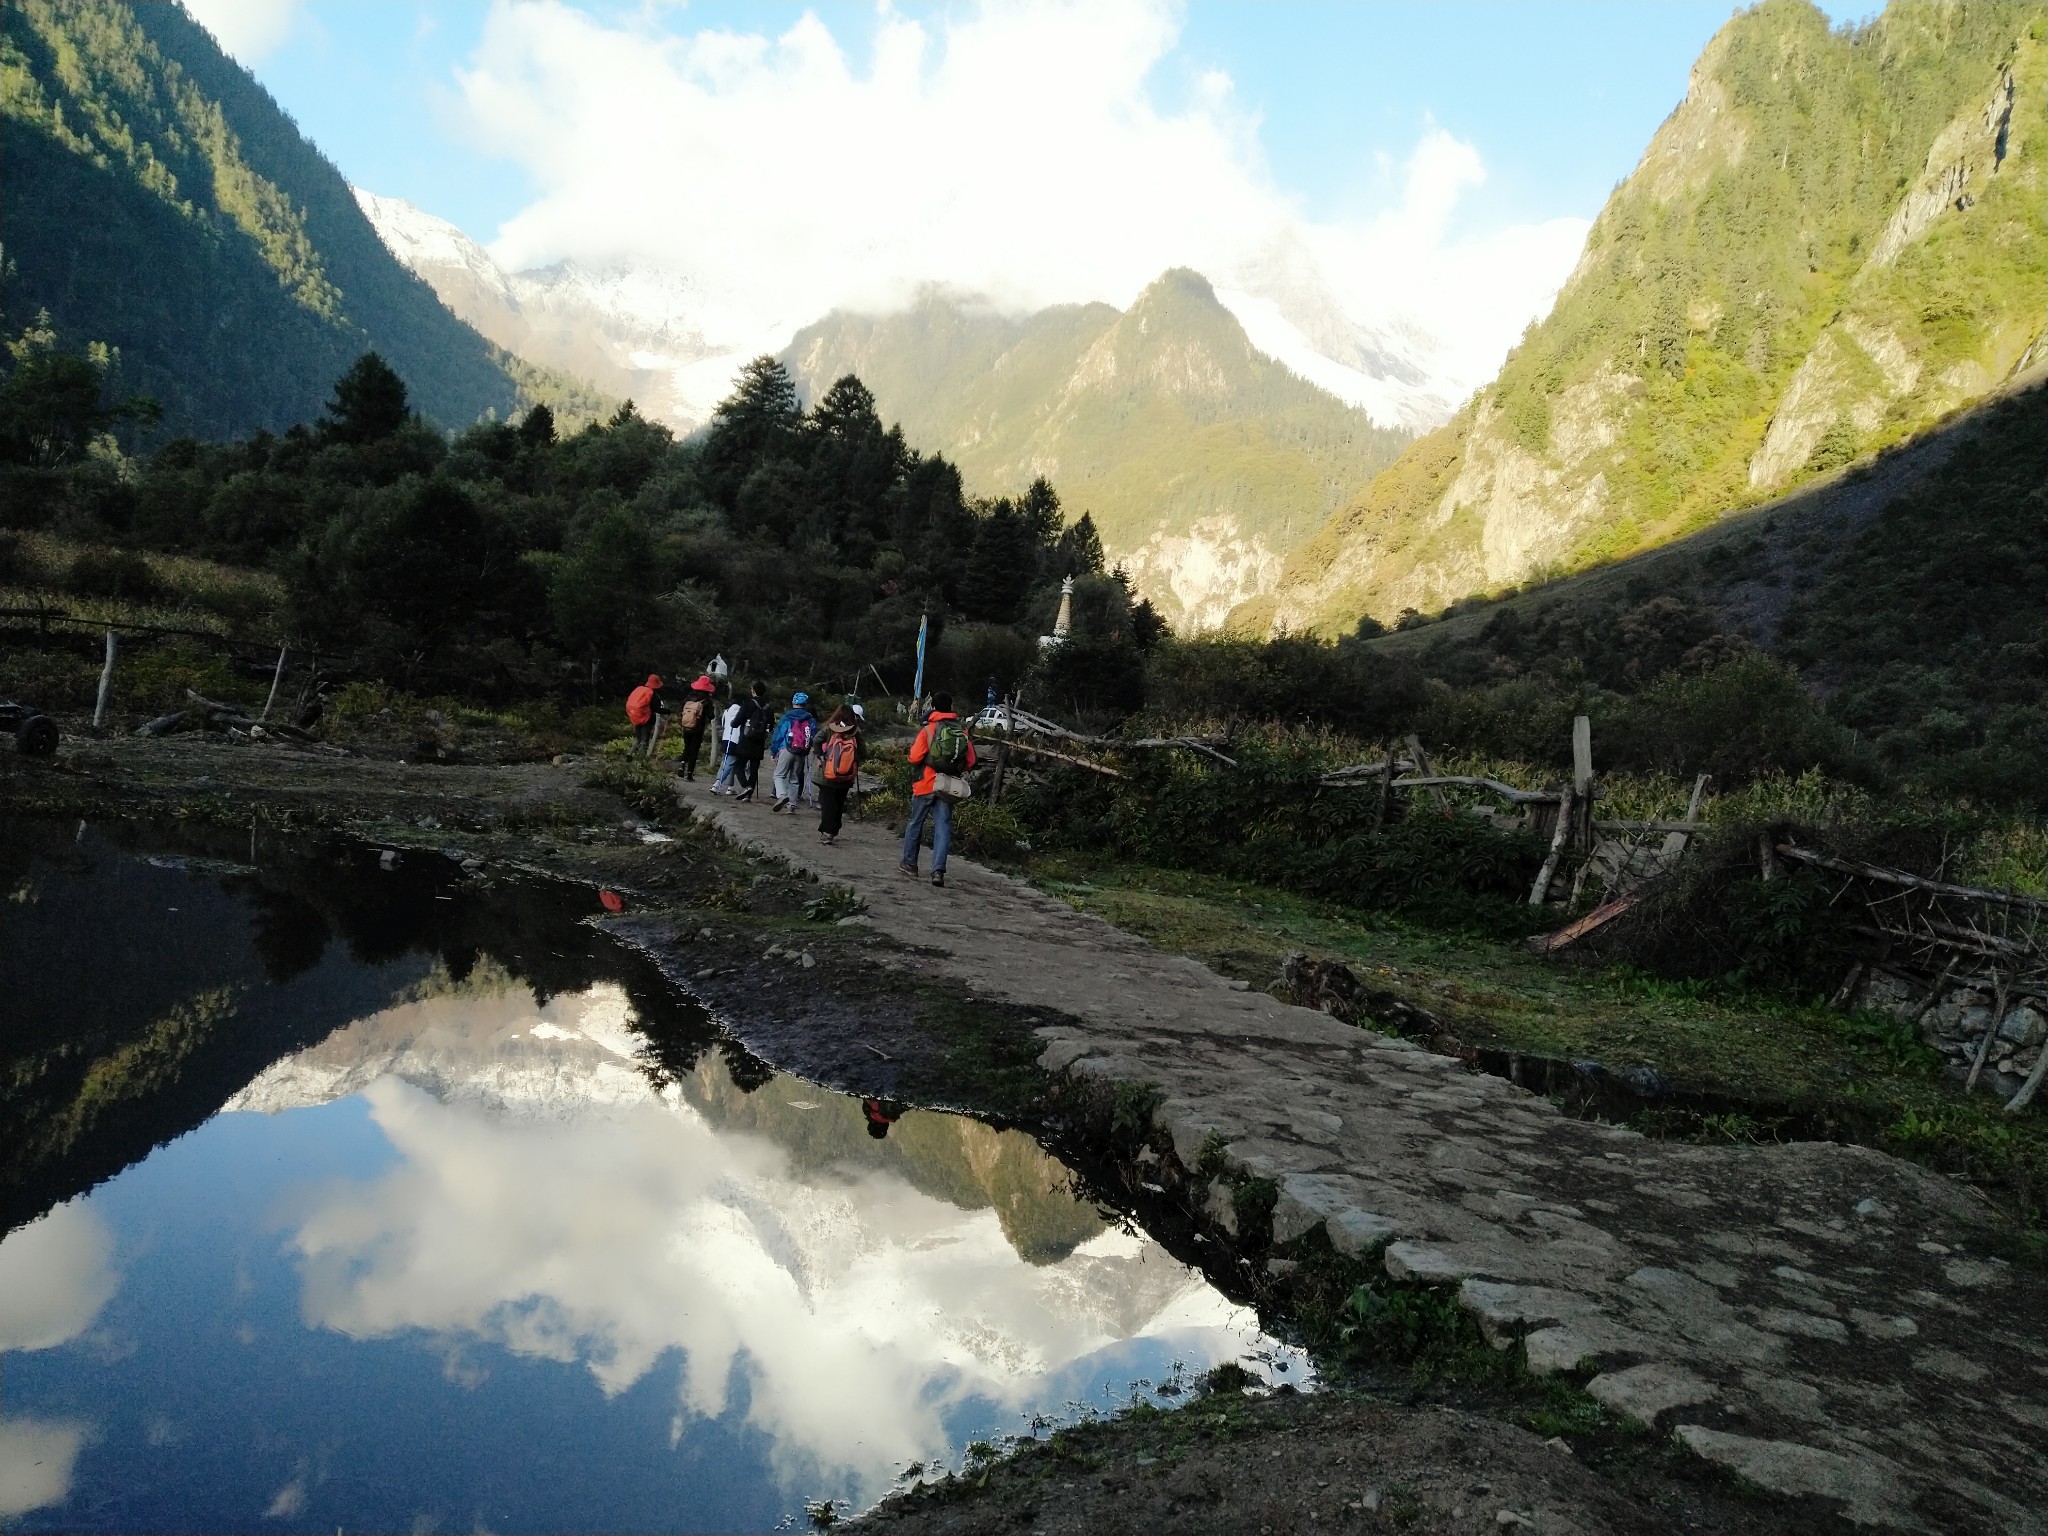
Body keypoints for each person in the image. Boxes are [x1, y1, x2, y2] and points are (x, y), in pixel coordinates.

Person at [899, 691, 975, 888]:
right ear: (951, 708)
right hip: (947, 786)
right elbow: (971, 761)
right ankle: (938, 871)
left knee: (916, 823)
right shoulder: (962, 732)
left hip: (926, 783)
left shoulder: (928, 730)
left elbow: (914, 758)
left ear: (933, 707)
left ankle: (909, 864)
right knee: (943, 827)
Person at [813, 705, 864, 844]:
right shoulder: (855, 732)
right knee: (839, 802)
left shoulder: (830, 728)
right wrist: (855, 761)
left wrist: (820, 756)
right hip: (847, 775)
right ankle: (834, 830)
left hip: (829, 772)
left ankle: (827, 832)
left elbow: (816, 740)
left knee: (828, 803)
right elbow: (864, 751)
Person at [769, 692, 817, 813]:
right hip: (801, 751)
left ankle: (781, 795)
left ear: (793, 702)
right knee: (795, 779)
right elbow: (813, 736)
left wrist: (773, 751)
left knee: (779, 775)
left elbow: (779, 735)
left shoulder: (787, 717)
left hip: (786, 748)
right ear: (805, 704)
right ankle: (792, 805)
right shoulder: (810, 719)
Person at [732, 682, 771, 801]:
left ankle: (746, 786)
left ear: (753, 690)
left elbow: (737, 721)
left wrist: (733, 723)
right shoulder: (768, 707)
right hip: (759, 741)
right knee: (754, 769)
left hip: (746, 739)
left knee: (738, 765)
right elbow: (771, 725)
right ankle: (748, 796)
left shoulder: (748, 703)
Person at [675, 675, 718, 781]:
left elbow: (681, 709)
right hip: (698, 728)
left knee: (687, 746)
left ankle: (682, 765)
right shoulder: (707, 700)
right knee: (694, 750)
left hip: (686, 726)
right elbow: (711, 716)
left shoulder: (688, 697)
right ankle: (689, 773)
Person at [711, 691, 745, 794]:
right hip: (736, 740)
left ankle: (731, 787)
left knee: (727, 762)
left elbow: (723, 725)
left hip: (726, 739)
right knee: (729, 764)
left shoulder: (726, 711)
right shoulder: (742, 712)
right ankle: (717, 784)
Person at [625, 674, 666, 756]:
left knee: (638, 739)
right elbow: (657, 709)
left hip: (635, 717)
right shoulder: (653, 695)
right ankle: (641, 759)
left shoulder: (640, 690)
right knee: (644, 740)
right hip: (645, 720)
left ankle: (630, 754)